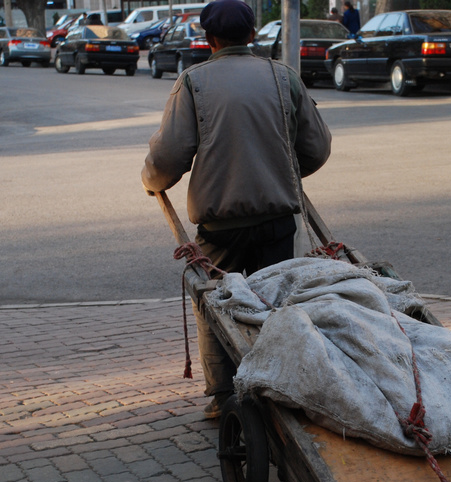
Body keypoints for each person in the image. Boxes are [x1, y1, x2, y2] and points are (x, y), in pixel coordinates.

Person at [141, 0, 332, 419]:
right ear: (252, 34)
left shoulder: (193, 83)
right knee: (276, 307)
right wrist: (279, 171)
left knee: (217, 304)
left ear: (209, 39)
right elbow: (316, 149)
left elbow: (167, 157)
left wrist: (150, 181)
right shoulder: (284, 78)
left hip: (220, 226)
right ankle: (279, 385)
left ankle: (225, 399)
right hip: (278, 221)